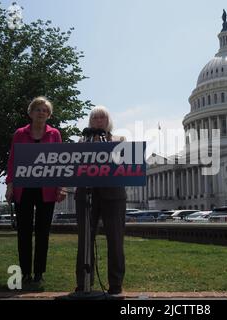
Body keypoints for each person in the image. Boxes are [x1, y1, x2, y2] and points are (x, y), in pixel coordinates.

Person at [5, 96, 66, 285]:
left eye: (45, 110)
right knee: (23, 232)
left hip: (47, 190)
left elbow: (60, 161)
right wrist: (9, 185)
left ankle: (39, 273)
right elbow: (13, 161)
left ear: (49, 115)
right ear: (31, 113)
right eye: (38, 109)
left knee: (42, 233)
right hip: (23, 189)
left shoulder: (54, 134)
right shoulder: (19, 134)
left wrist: (62, 187)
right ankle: (24, 273)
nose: (41, 113)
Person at [75, 106, 127, 296]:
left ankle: (116, 284)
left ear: (108, 120)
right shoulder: (82, 141)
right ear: (90, 121)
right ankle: (83, 283)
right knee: (85, 240)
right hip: (86, 195)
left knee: (115, 240)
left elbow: (126, 165)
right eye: (95, 117)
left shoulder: (119, 140)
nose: (98, 120)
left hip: (114, 195)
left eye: (102, 117)